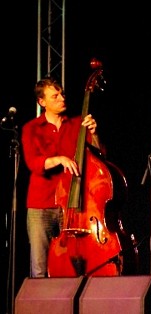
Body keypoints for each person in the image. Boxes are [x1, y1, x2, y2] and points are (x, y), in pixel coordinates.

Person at [21, 77, 100, 278]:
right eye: (54, 96)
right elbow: (34, 163)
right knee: (40, 267)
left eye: (62, 94)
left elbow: (99, 157)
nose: (61, 98)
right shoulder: (30, 128)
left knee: (70, 268)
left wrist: (94, 133)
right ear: (42, 102)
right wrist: (60, 159)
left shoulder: (77, 124)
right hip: (41, 205)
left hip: (72, 207)